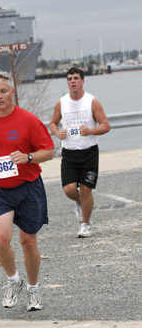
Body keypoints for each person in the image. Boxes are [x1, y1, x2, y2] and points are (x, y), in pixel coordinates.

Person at [0, 71, 54, 311]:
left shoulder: (28, 120)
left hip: (28, 188)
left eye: (3, 91)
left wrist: (28, 157)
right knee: (0, 239)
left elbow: (48, 151)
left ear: (12, 92)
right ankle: (13, 280)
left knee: (28, 243)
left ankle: (33, 289)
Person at [49, 67, 110, 238]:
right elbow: (53, 122)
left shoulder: (92, 101)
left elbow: (105, 125)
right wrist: (57, 133)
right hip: (69, 153)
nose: (73, 81)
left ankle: (85, 224)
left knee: (86, 189)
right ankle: (79, 203)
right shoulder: (61, 102)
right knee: (69, 190)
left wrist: (90, 131)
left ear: (83, 80)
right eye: (69, 79)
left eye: (76, 78)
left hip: (88, 152)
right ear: (67, 82)